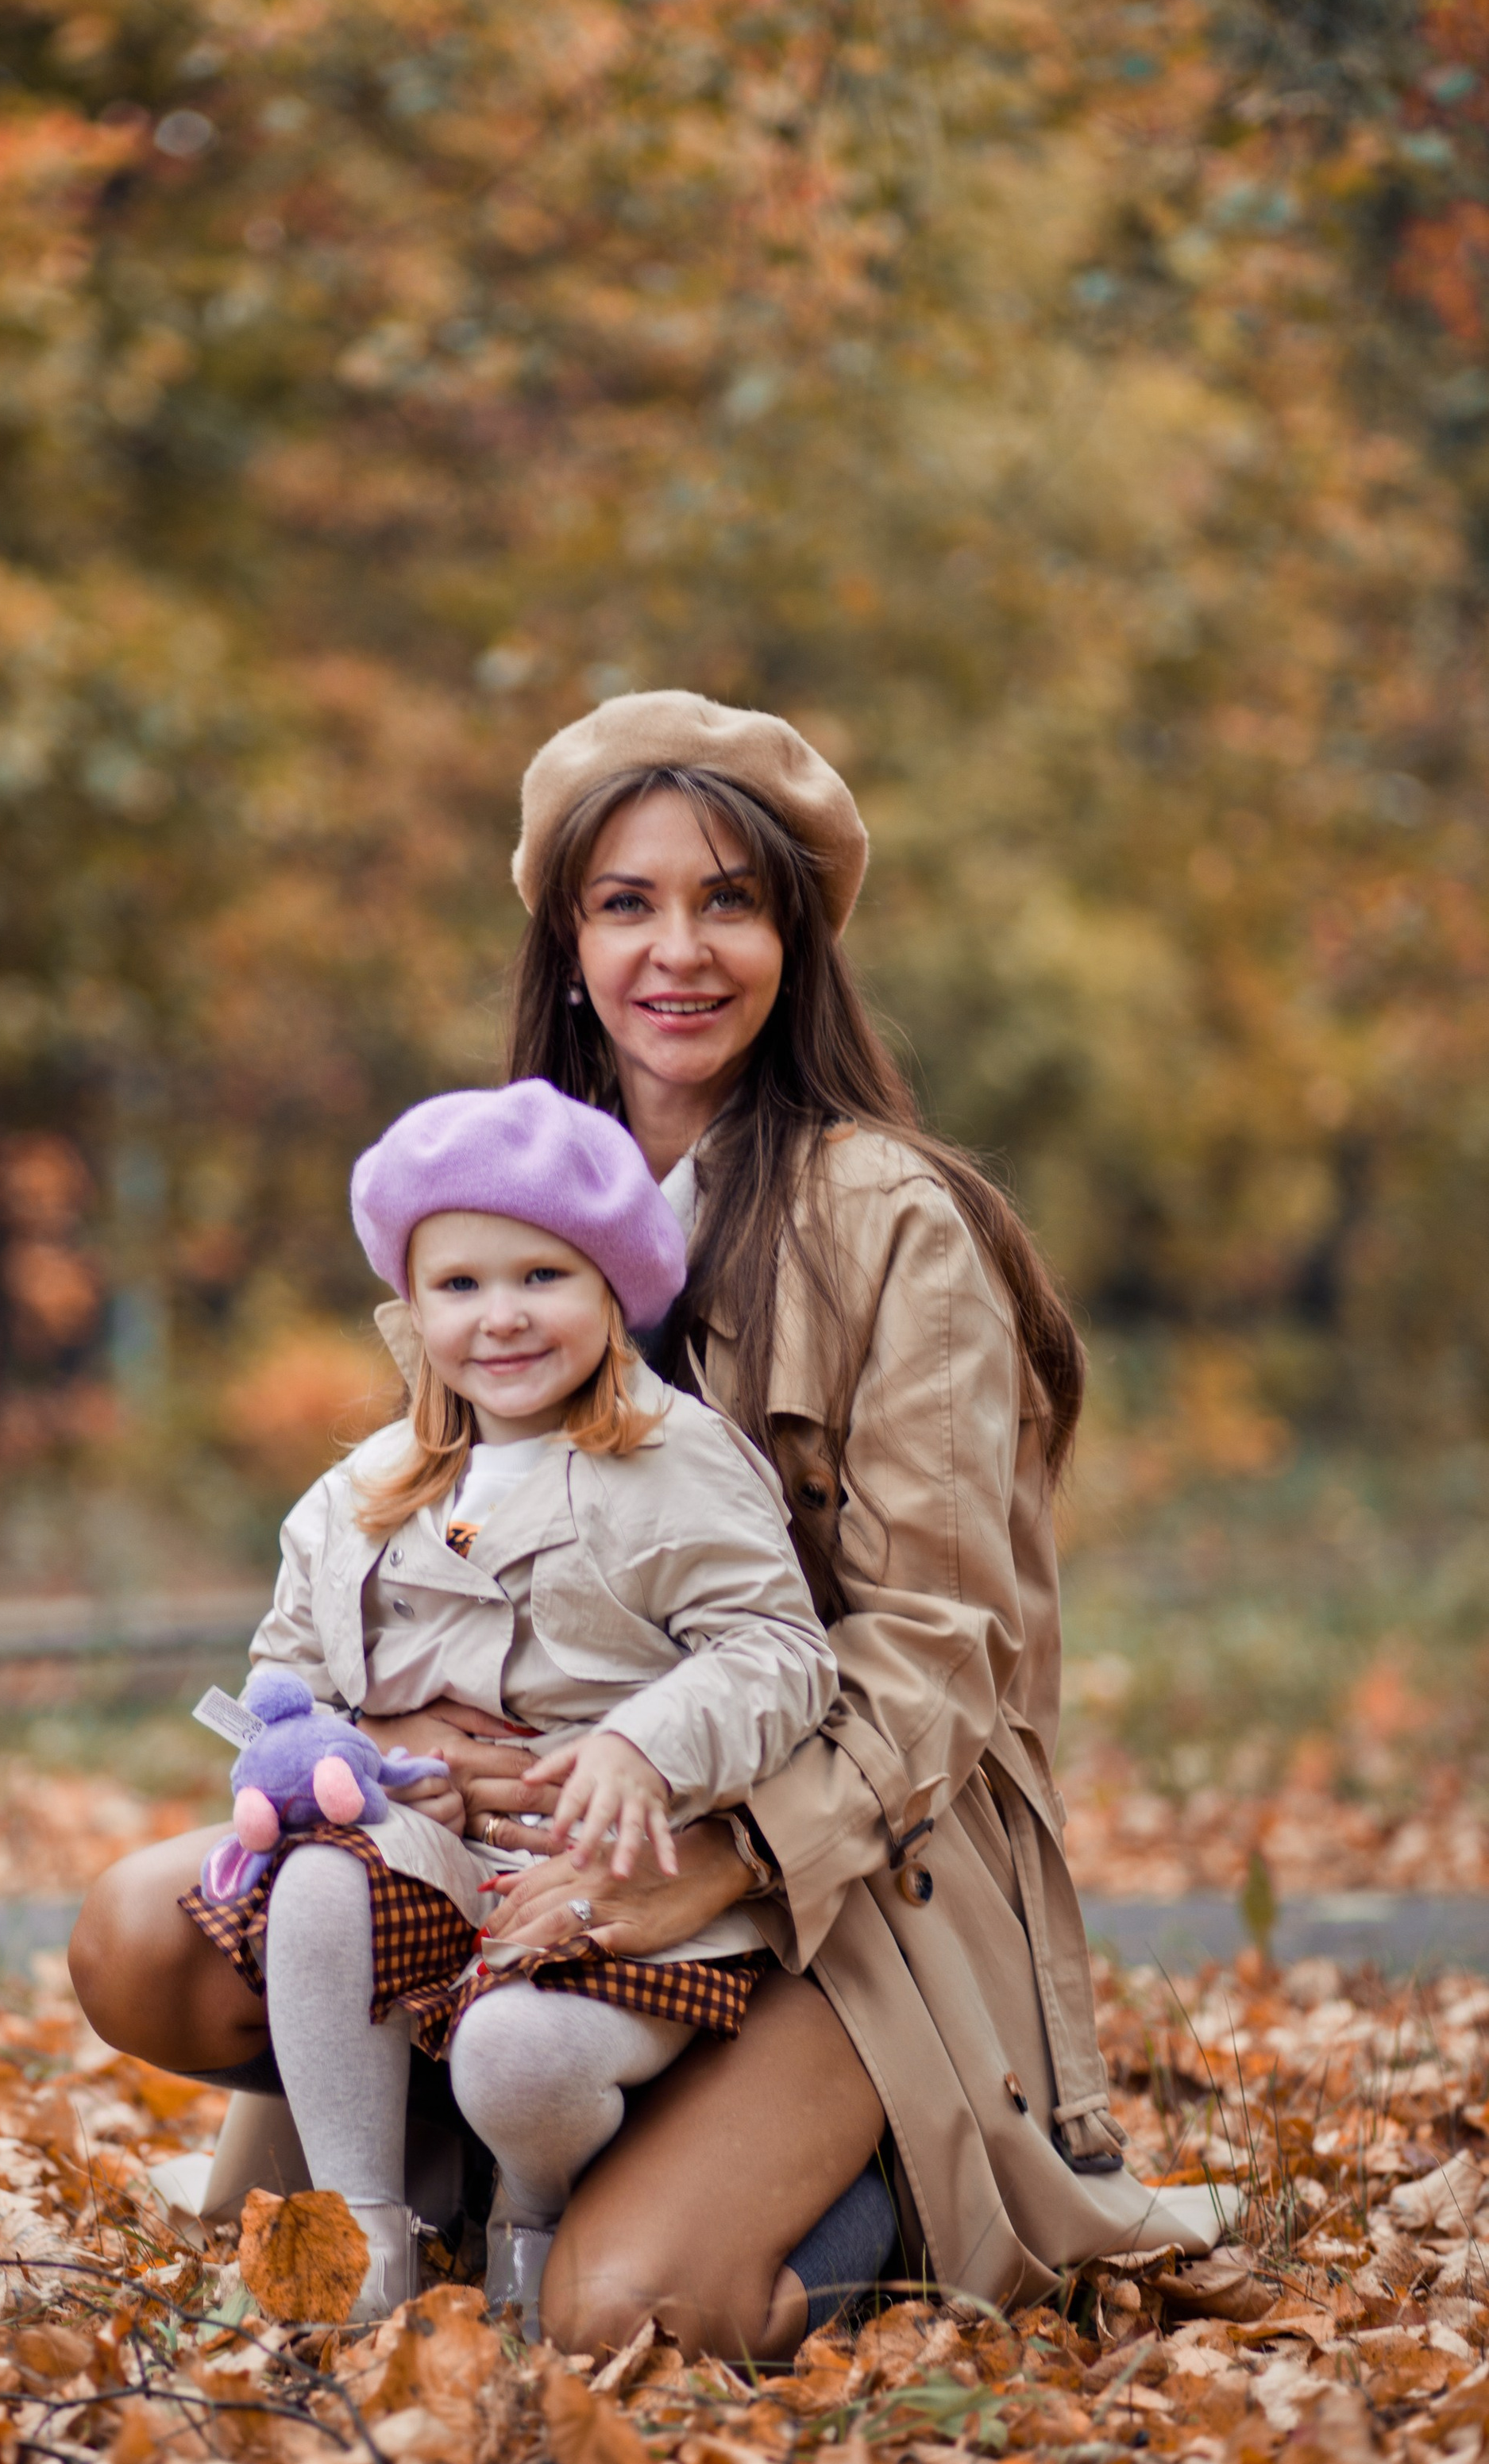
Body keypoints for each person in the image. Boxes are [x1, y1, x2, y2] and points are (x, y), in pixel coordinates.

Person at [69, 687, 1208, 2358]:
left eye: (726, 900)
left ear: (791, 937)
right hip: (511, 1837)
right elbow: (390, 1526)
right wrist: (392, 1729)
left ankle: (855, 2173)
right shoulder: (501, 1194)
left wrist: (714, 1851)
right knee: (135, 1939)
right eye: (626, 903)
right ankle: (471, 2145)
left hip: (831, 1873)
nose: (677, 951)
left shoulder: (891, 1225)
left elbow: (938, 1657)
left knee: (631, 2311)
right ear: (568, 938)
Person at [185, 1078, 839, 2329]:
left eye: (543, 1277)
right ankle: (362, 2227)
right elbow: (283, 1680)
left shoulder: (678, 1461)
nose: (503, 1319)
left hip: (612, 1872)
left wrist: (650, 1742)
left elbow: (781, 1652)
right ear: (410, 1309)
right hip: (429, 1850)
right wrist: (349, 1743)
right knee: (320, 1883)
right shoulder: (363, 1494)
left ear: (612, 1290)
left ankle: (529, 2210)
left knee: (516, 2059)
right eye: (461, 1286)